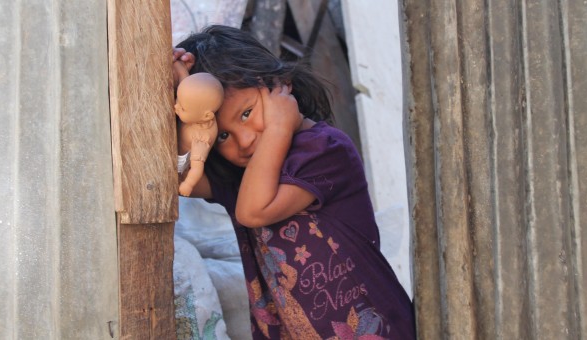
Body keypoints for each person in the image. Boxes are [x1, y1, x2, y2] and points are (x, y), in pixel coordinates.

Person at [172, 25, 416, 339]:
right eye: (222, 135)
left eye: (246, 113)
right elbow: (175, 175)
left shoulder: (324, 150)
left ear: (281, 84)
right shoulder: (244, 179)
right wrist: (185, 101)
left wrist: (277, 127)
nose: (244, 141)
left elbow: (253, 212)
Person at [174, 72, 223, 196]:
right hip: (175, 137)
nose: (176, 106)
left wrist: (188, 184)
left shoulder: (201, 139)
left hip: (177, 161)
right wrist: (181, 68)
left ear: (206, 116)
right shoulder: (196, 108)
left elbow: (197, 168)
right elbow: (185, 83)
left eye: (183, 108)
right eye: (177, 100)